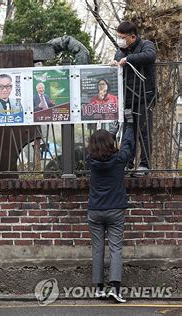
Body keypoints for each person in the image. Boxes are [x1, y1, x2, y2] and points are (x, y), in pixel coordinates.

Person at [86, 109, 135, 304]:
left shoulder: (91, 161)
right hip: (115, 210)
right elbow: (128, 144)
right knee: (116, 249)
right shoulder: (119, 160)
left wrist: (111, 133)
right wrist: (129, 124)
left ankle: (99, 289)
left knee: (98, 249)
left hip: (95, 210)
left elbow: (101, 151)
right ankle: (115, 289)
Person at [109, 21, 156, 175]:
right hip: (126, 98)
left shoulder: (146, 45)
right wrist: (114, 64)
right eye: (119, 37)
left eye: (123, 37)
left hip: (144, 96)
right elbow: (118, 63)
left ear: (133, 37)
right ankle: (128, 163)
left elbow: (150, 56)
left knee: (144, 131)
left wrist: (129, 59)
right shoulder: (120, 51)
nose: (120, 40)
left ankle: (144, 164)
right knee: (129, 132)